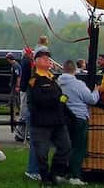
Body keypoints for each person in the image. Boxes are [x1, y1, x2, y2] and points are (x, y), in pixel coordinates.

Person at [27, 48, 71, 184]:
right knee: (42, 152)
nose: (48, 61)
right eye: (45, 59)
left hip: (58, 120)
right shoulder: (34, 80)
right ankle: (45, 177)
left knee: (65, 147)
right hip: (42, 122)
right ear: (37, 62)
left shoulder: (52, 78)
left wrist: (63, 103)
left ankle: (54, 173)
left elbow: (59, 96)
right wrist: (57, 99)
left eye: (49, 59)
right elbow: (38, 99)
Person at [59, 59, 99, 186]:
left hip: (64, 119)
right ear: (74, 70)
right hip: (79, 118)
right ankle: (74, 175)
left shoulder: (58, 83)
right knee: (79, 148)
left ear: (63, 69)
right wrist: (97, 90)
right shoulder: (79, 84)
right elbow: (91, 100)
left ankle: (61, 173)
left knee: (65, 147)